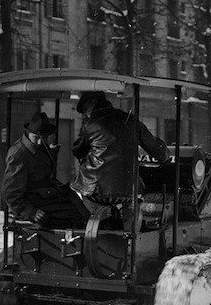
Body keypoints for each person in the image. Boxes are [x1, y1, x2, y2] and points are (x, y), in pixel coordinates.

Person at [70, 90, 168, 219]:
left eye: (86, 109)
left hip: (97, 190)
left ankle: (96, 221)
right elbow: (160, 152)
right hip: (130, 189)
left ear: (94, 102)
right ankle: (124, 221)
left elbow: (78, 151)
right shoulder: (131, 120)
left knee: (73, 192)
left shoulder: (91, 124)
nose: (86, 114)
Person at [2, 111, 88, 228]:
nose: (40, 142)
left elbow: (41, 167)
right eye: (36, 138)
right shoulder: (18, 155)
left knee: (76, 201)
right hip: (33, 202)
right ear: (28, 133)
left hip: (43, 196)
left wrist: (51, 154)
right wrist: (31, 212)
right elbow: (10, 193)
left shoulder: (38, 147)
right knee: (74, 214)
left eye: (44, 138)